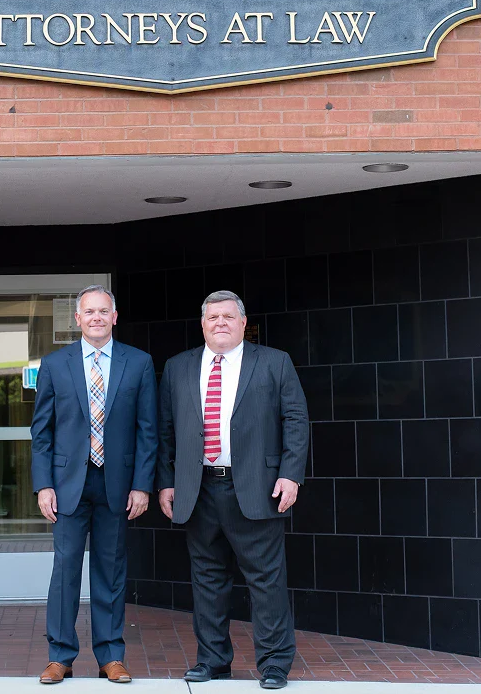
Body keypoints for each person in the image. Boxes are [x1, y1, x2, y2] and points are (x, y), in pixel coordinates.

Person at [156, 290, 309, 689]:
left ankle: (274, 664)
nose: (220, 323)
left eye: (228, 316)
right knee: (207, 579)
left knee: (266, 581)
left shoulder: (274, 362)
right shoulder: (178, 367)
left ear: (244, 323)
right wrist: (166, 482)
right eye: (212, 317)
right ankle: (212, 660)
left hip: (257, 488)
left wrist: (291, 474)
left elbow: (295, 420)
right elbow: (165, 432)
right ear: (202, 325)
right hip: (198, 488)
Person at [31, 285, 158, 684]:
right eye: (90, 312)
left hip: (116, 484)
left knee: (111, 570)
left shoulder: (139, 363)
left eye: (104, 311)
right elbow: (42, 433)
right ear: (78, 318)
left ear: (115, 317)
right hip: (68, 483)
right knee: (65, 570)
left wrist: (142, 485)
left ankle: (110, 656)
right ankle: (60, 656)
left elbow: (147, 431)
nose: (97, 317)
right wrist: (43, 485)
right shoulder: (55, 364)